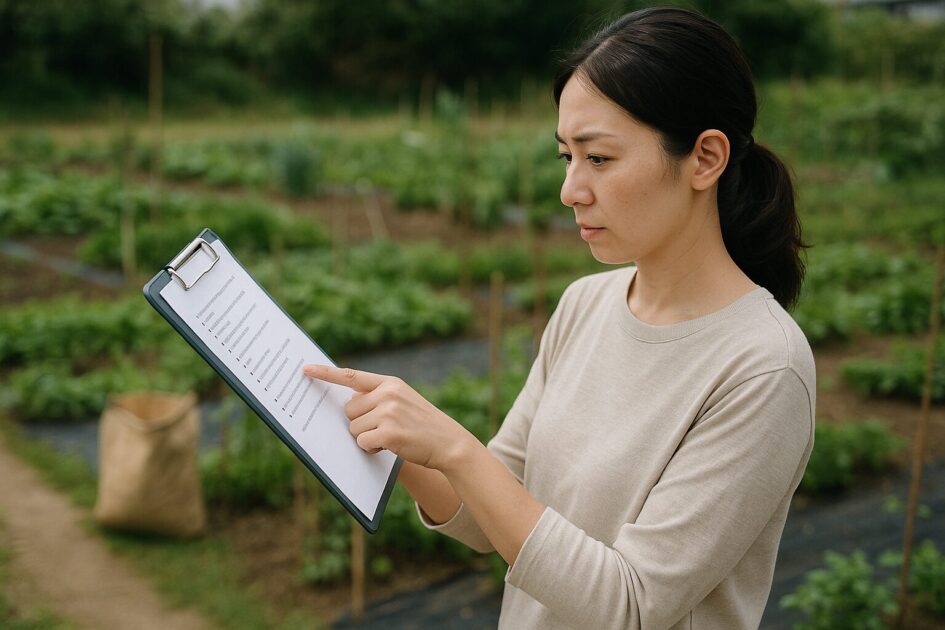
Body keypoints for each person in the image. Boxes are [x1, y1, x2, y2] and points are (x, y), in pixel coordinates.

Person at [304, 6, 815, 629]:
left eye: (598, 158)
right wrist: (393, 444)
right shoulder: (586, 304)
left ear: (705, 159)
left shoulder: (762, 368)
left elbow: (630, 605)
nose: (571, 189)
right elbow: (486, 517)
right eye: (565, 157)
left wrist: (457, 450)